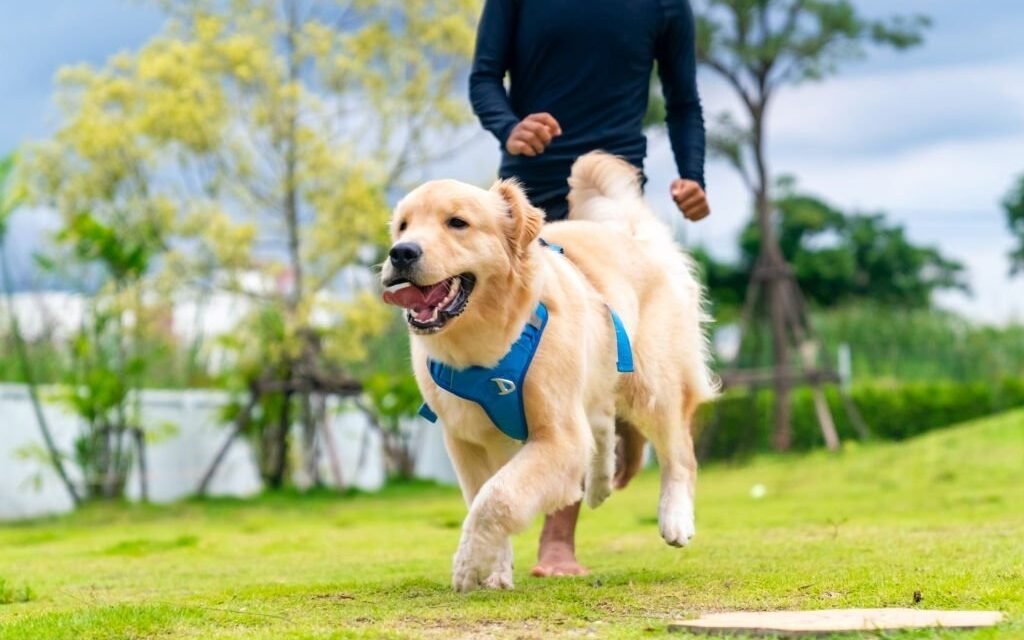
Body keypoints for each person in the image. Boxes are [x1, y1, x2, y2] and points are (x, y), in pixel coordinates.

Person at [469, 0, 710, 577]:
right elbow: (484, 77)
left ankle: (558, 544)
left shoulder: (664, 7)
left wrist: (693, 174)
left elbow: (684, 102)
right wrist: (511, 126)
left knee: (588, 365)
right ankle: (544, 498)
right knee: (541, 367)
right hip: (523, 204)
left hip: (609, 199)